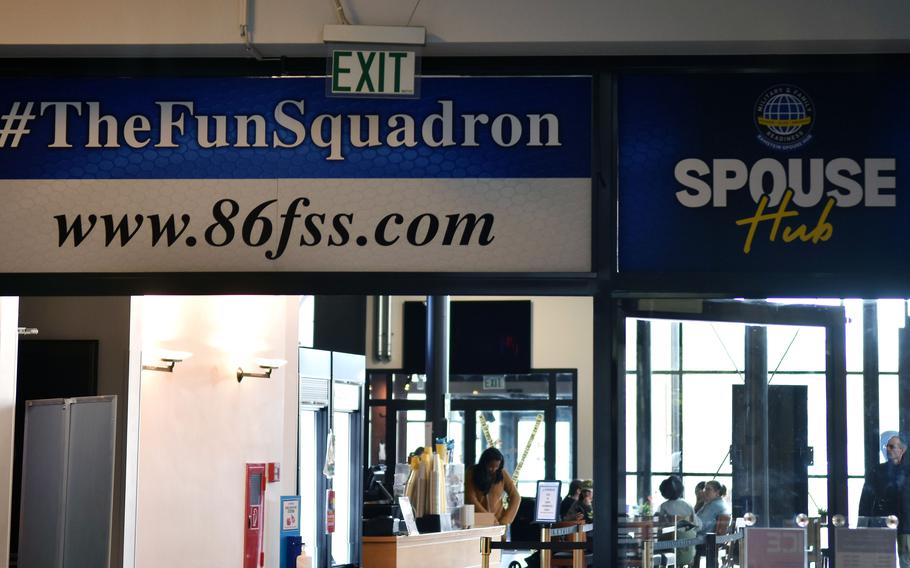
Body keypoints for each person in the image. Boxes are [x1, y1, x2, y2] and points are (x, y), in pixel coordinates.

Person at [859, 431, 910, 567]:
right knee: (882, 560)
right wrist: (862, 523)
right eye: (887, 446)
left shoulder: (907, 471)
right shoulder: (877, 471)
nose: (887, 449)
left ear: (902, 450)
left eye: (892, 446)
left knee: (906, 560)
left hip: (906, 524)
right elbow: (866, 497)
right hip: (882, 522)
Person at [464, 447, 522, 526]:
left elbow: (516, 497)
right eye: (490, 467)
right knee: (480, 538)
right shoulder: (472, 472)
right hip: (478, 519)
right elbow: (471, 499)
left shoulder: (502, 473)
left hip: (498, 521)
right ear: (484, 464)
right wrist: (488, 518)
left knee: (498, 538)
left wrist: (506, 520)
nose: (494, 470)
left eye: (497, 467)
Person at [657, 476, 701, 567]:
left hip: (670, 553)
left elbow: (658, 529)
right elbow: (699, 526)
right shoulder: (687, 505)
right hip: (689, 552)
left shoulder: (663, 507)